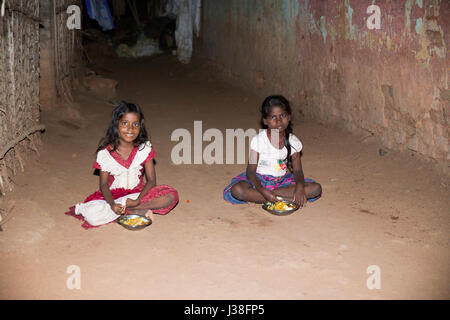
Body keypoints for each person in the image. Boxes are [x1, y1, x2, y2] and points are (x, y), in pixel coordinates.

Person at [65, 101, 178, 229]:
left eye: (135, 124)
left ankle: (132, 209)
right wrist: (113, 204)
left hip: (138, 193)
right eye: (125, 123)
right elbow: (103, 185)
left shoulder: (144, 148)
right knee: (92, 216)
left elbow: (151, 180)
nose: (130, 129)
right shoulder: (105, 154)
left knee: (170, 196)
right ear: (116, 125)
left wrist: (137, 200)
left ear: (140, 127)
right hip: (115, 196)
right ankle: (129, 210)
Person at [223, 95, 322, 207]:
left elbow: (298, 171)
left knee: (315, 188)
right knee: (238, 190)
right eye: (273, 117)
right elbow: (250, 172)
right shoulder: (259, 140)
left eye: (282, 115)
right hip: (258, 180)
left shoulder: (293, 142)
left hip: (281, 182)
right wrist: (263, 191)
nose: (279, 120)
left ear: (289, 117)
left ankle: (271, 198)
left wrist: (299, 188)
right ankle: (283, 199)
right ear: (265, 121)